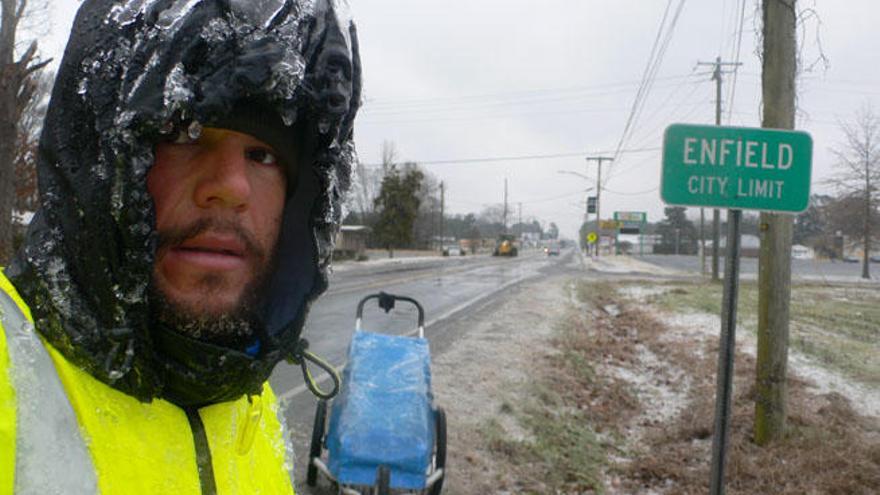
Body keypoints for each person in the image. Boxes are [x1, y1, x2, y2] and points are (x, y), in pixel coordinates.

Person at [0, 0, 361, 493]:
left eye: (262, 154)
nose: (232, 186)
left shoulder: (247, 399)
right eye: (184, 132)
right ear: (100, 158)